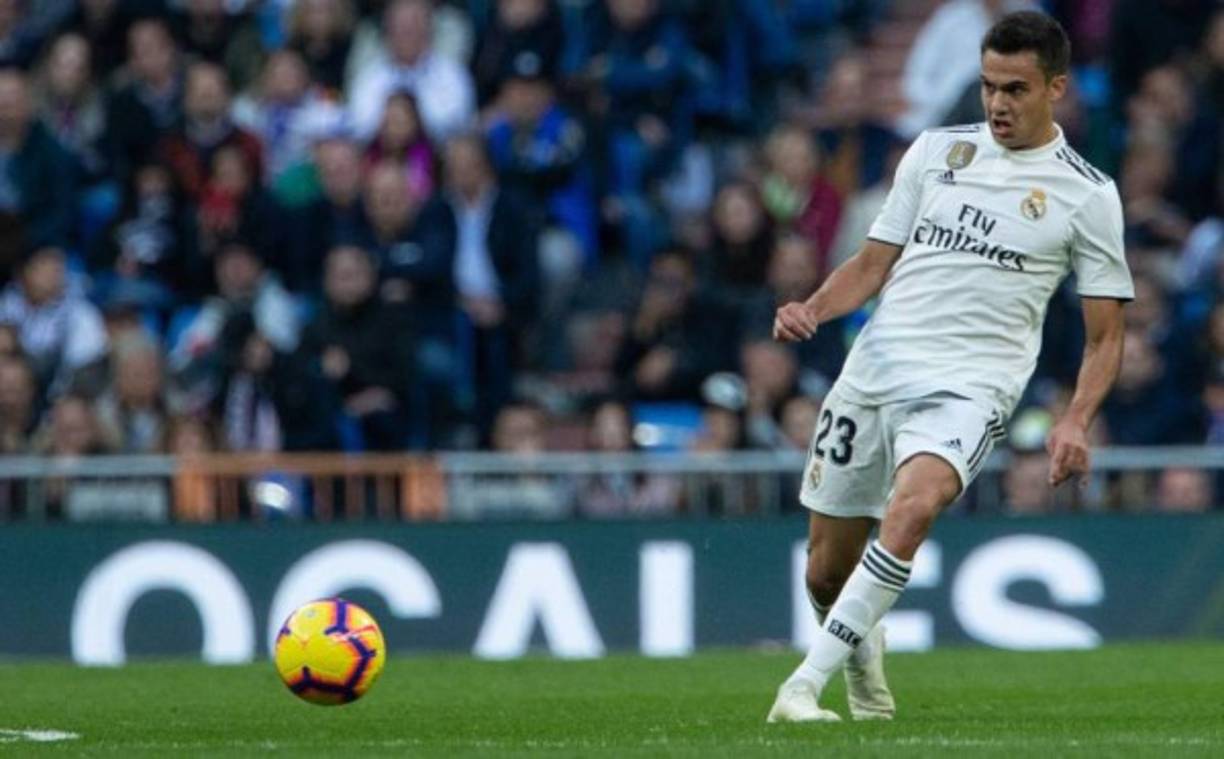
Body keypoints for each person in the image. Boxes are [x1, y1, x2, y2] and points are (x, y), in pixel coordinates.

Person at [767, 12, 1133, 723]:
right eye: (990, 86)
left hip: (973, 382)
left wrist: (1077, 418)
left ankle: (800, 686)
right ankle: (862, 657)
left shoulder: (1088, 194)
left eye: (1017, 89)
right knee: (823, 569)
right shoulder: (935, 152)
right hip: (876, 367)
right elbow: (873, 263)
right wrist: (814, 306)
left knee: (912, 508)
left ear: (1056, 87)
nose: (998, 103)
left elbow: (1105, 334)